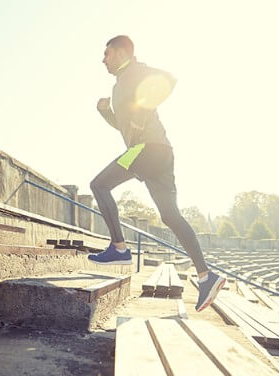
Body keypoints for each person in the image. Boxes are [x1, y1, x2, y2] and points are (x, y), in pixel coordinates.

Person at [87, 35, 225, 312]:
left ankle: (119, 248)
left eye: (108, 54)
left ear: (122, 53)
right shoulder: (119, 86)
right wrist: (106, 114)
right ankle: (206, 276)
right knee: (170, 215)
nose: (104, 60)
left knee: (99, 185)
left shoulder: (137, 70)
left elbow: (170, 79)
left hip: (145, 149)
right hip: (158, 152)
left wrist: (144, 109)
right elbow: (126, 127)